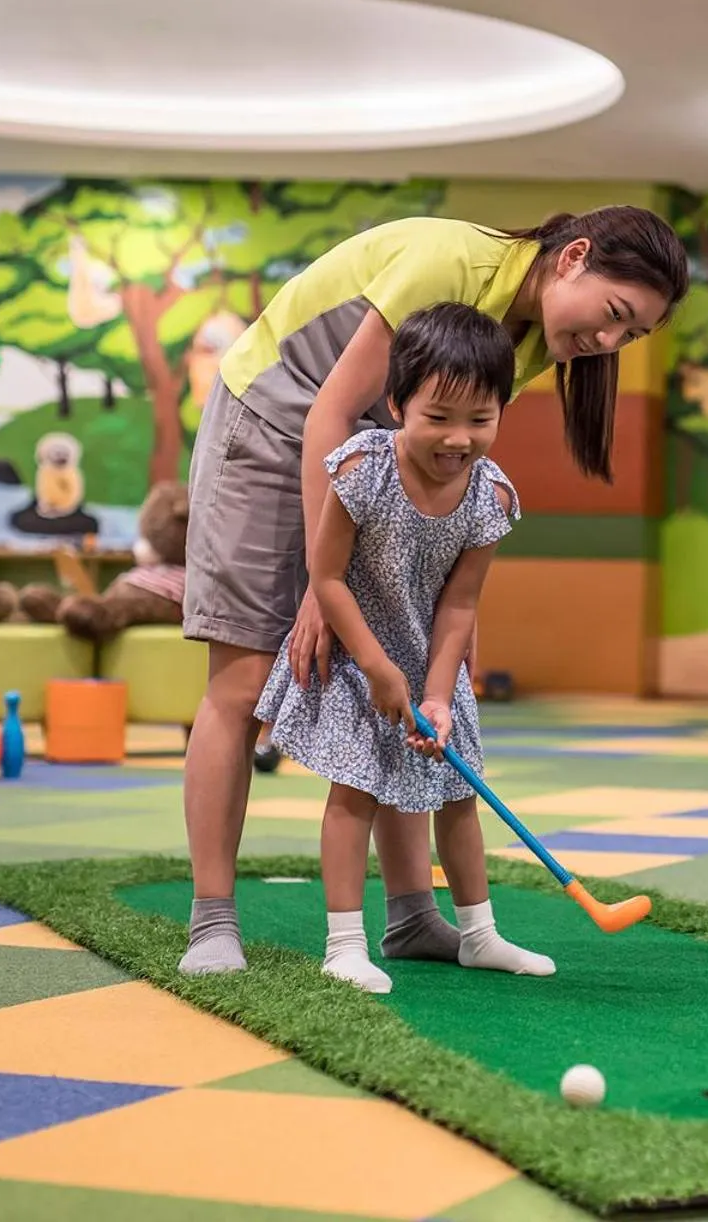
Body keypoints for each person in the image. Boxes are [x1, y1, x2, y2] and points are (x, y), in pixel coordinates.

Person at [179, 207, 690, 976]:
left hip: (376, 453)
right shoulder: (448, 264)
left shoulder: (531, 338)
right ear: (573, 257)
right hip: (276, 419)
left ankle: (414, 918)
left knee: (407, 673)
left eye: (632, 337)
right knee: (244, 676)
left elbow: (452, 452)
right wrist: (324, 590)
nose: (609, 345)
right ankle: (212, 921)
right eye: (615, 316)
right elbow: (331, 409)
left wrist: (436, 616)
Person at [255, 303, 545, 992]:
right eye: (437, 416)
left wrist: (439, 692)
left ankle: (478, 936)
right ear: (396, 404)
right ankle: (344, 945)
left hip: (429, 661)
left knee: (457, 795)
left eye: (480, 419)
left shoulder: (490, 496)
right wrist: (379, 668)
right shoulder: (363, 467)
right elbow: (325, 577)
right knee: (355, 794)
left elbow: (462, 604)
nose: (458, 439)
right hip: (358, 658)